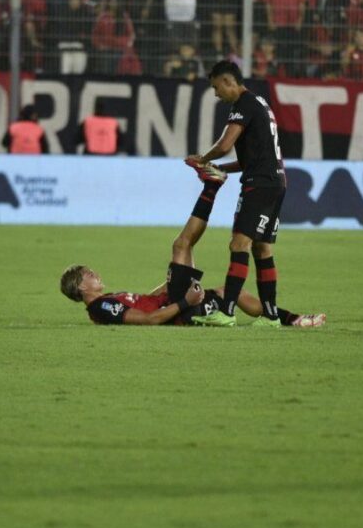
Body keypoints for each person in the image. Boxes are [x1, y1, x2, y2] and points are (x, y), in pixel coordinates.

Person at [59, 175, 324, 328]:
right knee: (182, 246)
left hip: (174, 300)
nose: (95, 274)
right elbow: (150, 320)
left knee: (230, 292)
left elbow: (145, 301)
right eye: (88, 274)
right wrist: (186, 300)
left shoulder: (107, 299)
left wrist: (170, 283)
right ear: (81, 288)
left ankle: (293, 320)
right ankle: (212, 186)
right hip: (180, 310)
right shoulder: (103, 307)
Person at [186, 60, 288, 328]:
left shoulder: (243, 105)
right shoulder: (259, 103)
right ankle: (271, 316)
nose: (216, 94)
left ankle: (227, 312)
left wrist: (203, 159)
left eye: (217, 87)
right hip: (275, 182)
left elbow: (224, 144)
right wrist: (217, 167)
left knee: (238, 244)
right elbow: (246, 160)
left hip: (259, 184)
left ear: (229, 81)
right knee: (262, 247)